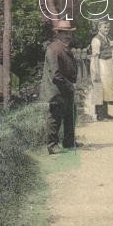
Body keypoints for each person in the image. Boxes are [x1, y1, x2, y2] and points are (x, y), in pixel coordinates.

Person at [40, 20, 79, 154]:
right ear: (58, 34)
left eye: (69, 33)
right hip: (55, 89)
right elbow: (56, 75)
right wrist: (70, 85)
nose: (67, 36)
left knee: (70, 115)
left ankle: (69, 142)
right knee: (55, 118)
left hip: (65, 88)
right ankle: (52, 145)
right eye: (64, 33)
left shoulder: (65, 47)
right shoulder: (53, 49)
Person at [90, 21, 113, 120]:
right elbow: (95, 57)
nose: (107, 29)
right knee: (100, 88)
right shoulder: (96, 40)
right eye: (104, 27)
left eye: (108, 27)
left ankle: (105, 113)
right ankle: (100, 115)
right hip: (100, 64)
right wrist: (96, 71)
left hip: (107, 65)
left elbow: (110, 50)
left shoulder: (106, 38)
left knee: (107, 88)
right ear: (99, 28)